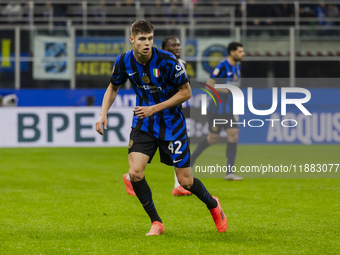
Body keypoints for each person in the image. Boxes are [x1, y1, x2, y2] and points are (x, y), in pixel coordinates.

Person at [96, 20, 227, 235]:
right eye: (142, 39)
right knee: (135, 173)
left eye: (150, 39)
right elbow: (113, 87)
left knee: (185, 181)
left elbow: (186, 93)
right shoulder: (123, 62)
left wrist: (154, 108)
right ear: (132, 40)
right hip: (144, 123)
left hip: (172, 125)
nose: (147, 43)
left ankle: (213, 205)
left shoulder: (168, 61)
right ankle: (156, 222)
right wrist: (102, 114)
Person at [123, 36, 192, 197]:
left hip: (171, 117)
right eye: (173, 45)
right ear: (163, 48)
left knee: (179, 154)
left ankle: (179, 185)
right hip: (155, 119)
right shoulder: (154, 63)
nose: (177, 48)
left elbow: (183, 91)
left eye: (179, 45)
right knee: (144, 162)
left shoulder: (180, 64)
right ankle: (131, 177)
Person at [191, 42, 245, 181]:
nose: (242, 54)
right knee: (212, 138)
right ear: (232, 52)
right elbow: (209, 85)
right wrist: (226, 90)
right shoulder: (221, 66)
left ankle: (229, 172)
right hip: (217, 109)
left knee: (234, 135)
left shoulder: (237, 67)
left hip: (229, 110)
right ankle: (190, 160)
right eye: (240, 51)